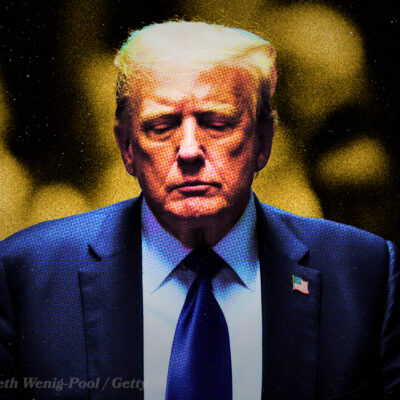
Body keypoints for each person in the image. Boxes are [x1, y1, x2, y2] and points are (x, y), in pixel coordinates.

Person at [0, 20, 399, 400]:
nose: (189, 150)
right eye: (161, 125)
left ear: (263, 140)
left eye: (217, 123)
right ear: (125, 147)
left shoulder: (363, 273)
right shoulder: (29, 276)